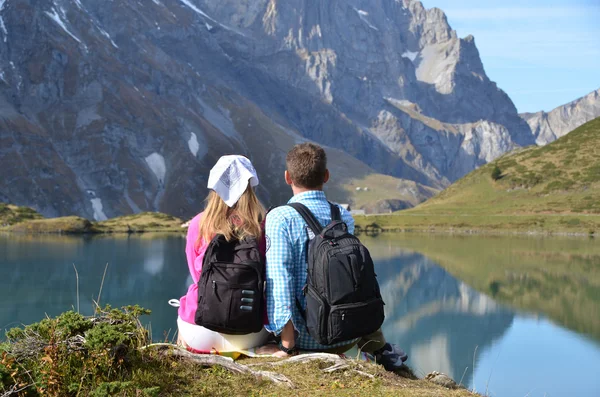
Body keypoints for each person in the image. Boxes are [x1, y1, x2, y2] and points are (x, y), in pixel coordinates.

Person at [259, 143, 407, 370]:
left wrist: (288, 348)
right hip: (348, 333)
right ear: (326, 176)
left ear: (288, 177)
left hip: (306, 340)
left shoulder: (280, 218)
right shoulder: (343, 216)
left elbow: (280, 282)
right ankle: (378, 347)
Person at [176, 155, 270, 352]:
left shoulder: (198, 224)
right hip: (249, 330)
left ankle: (190, 350)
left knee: (188, 302)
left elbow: (197, 277)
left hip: (200, 329)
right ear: (250, 186)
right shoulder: (263, 225)